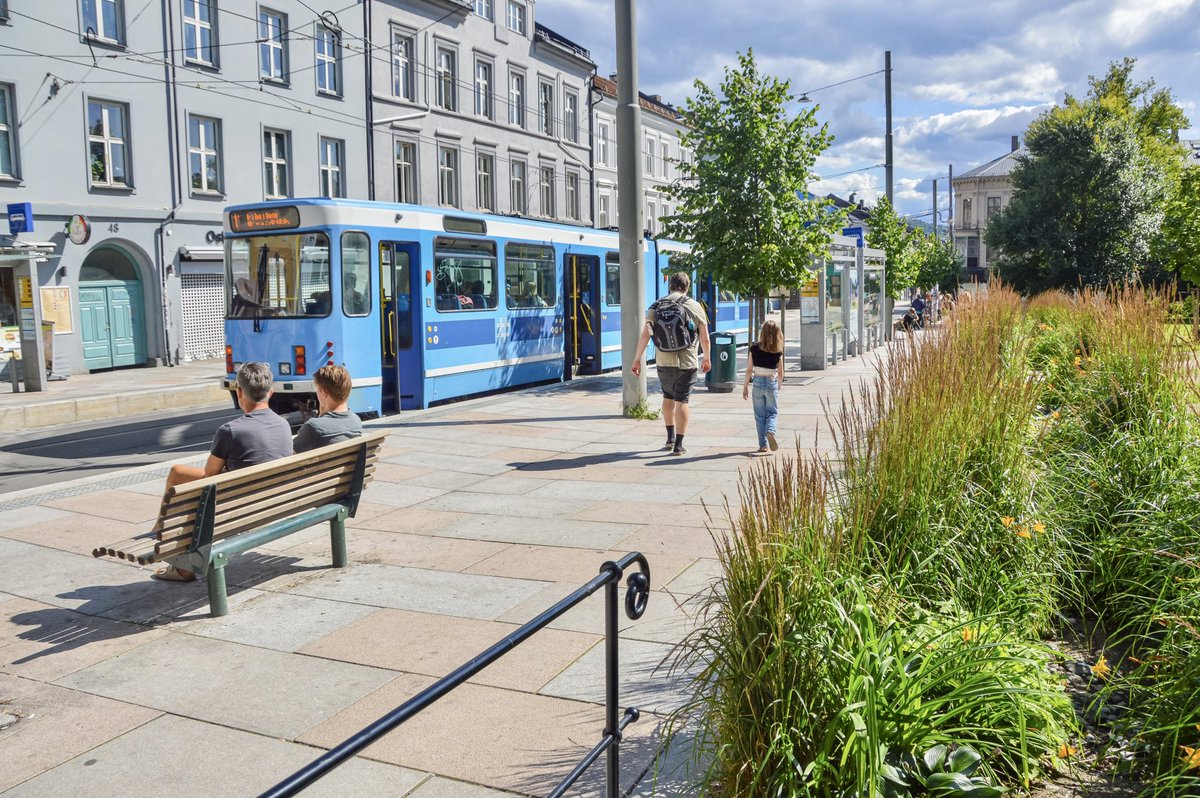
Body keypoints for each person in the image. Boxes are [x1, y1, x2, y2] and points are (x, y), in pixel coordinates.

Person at [151, 362, 293, 582]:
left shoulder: (230, 430)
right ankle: (164, 531)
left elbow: (209, 475)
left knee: (177, 473)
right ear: (271, 392)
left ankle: (165, 534)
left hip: (238, 508)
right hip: (275, 502)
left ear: (239, 392)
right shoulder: (284, 424)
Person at [631, 272, 711, 456]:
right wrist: (706, 358)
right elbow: (705, 338)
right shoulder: (694, 305)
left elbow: (646, 334)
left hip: (663, 360)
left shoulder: (656, 306)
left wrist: (637, 359)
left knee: (668, 397)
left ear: (671, 286)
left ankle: (670, 438)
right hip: (687, 361)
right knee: (682, 400)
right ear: (687, 286)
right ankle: (679, 445)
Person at [293, 364, 363, 453]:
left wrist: (320, 418)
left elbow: (290, 455)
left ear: (323, 392)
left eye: (317, 390)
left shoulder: (313, 427)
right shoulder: (356, 420)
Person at [742, 319, 785, 453]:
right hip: (771, 381)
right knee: (772, 413)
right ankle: (771, 431)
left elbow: (749, 370)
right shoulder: (778, 351)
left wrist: (745, 387)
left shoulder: (754, 348)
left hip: (758, 382)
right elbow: (781, 372)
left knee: (760, 416)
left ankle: (763, 445)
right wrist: (778, 385)